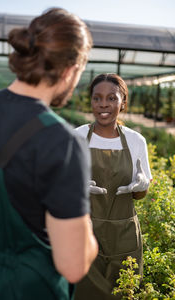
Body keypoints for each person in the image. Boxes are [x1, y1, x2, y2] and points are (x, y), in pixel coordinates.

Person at [0, 8, 98, 300]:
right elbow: (73, 266)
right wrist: (88, 232)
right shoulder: (62, 142)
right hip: (31, 287)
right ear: (70, 70)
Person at [74, 73, 152, 300]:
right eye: (97, 98)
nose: (103, 105)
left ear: (123, 102)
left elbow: (139, 194)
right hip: (85, 233)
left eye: (111, 98)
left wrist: (141, 185)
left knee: (123, 293)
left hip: (124, 237)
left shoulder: (136, 141)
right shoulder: (78, 136)